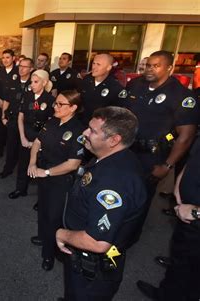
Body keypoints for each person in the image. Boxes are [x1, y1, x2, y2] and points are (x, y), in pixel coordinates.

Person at [55, 106, 147, 300]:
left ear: (114, 140)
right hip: (84, 258)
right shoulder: (113, 158)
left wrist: (62, 233)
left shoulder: (114, 181)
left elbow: (97, 242)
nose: (85, 133)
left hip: (92, 270)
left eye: (92, 131)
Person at [123, 50, 199, 218]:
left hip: (152, 156)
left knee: (139, 200)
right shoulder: (135, 85)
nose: (150, 69)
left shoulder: (181, 95)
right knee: (120, 192)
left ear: (169, 68)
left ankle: (129, 238)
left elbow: (186, 136)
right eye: (148, 65)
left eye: (156, 66)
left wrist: (167, 165)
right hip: (126, 149)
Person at [136, 137, 200, 301]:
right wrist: (179, 183)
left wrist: (196, 213)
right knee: (180, 260)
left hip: (194, 216)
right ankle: (166, 294)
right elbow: (193, 159)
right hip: (186, 213)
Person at [27, 90, 84, 271]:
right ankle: (44, 237)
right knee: (43, 210)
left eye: (61, 104)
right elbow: (37, 142)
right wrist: (32, 163)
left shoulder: (78, 130)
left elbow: (73, 164)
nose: (56, 107)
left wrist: (47, 172)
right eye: (55, 103)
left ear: (73, 107)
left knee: (54, 216)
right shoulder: (52, 121)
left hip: (60, 180)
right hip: (43, 172)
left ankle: (49, 254)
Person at [8, 69, 54, 200]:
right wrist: (22, 137)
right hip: (26, 136)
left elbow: (51, 124)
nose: (32, 85)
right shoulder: (27, 96)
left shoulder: (50, 100)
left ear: (44, 82)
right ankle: (20, 189)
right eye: (31, 82)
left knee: (41, 167)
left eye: (35, 82)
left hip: (41, 138)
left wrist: (38, 142)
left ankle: (42, 199)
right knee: (23, 164)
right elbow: (20, 117)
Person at [79, 53, 124, 126]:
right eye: (93, 63)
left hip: (100, 127)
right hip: (81, 122)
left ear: (108, 67)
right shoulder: (87, 79)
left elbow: (116, 113)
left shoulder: (115, 87)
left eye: (98, 64)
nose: (94, 67)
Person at [0, 49, 20, 164]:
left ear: (13, 58)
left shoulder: (18, 71)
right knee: (0, 130)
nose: (5, 60)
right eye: (3, 58)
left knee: (13, 131)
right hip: (0, 105)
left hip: (13, 107)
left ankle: (13, 154)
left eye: (7, 57)